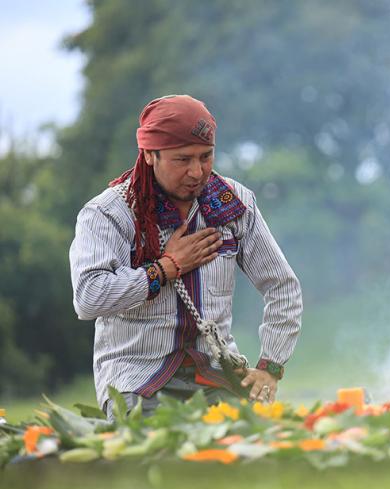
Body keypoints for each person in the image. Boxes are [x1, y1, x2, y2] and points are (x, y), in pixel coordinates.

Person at [69, 95, 302, 419]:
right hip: (136, 378)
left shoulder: (234, 205)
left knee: (255, 449)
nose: (197, 171)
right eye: (182, 160)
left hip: (216, 373)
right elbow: (88, 297)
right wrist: (166, 268)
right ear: (151, 154)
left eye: (205, 157)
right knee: (159, 452)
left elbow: (283, 287)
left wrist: (270, 366)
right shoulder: (109, 213)